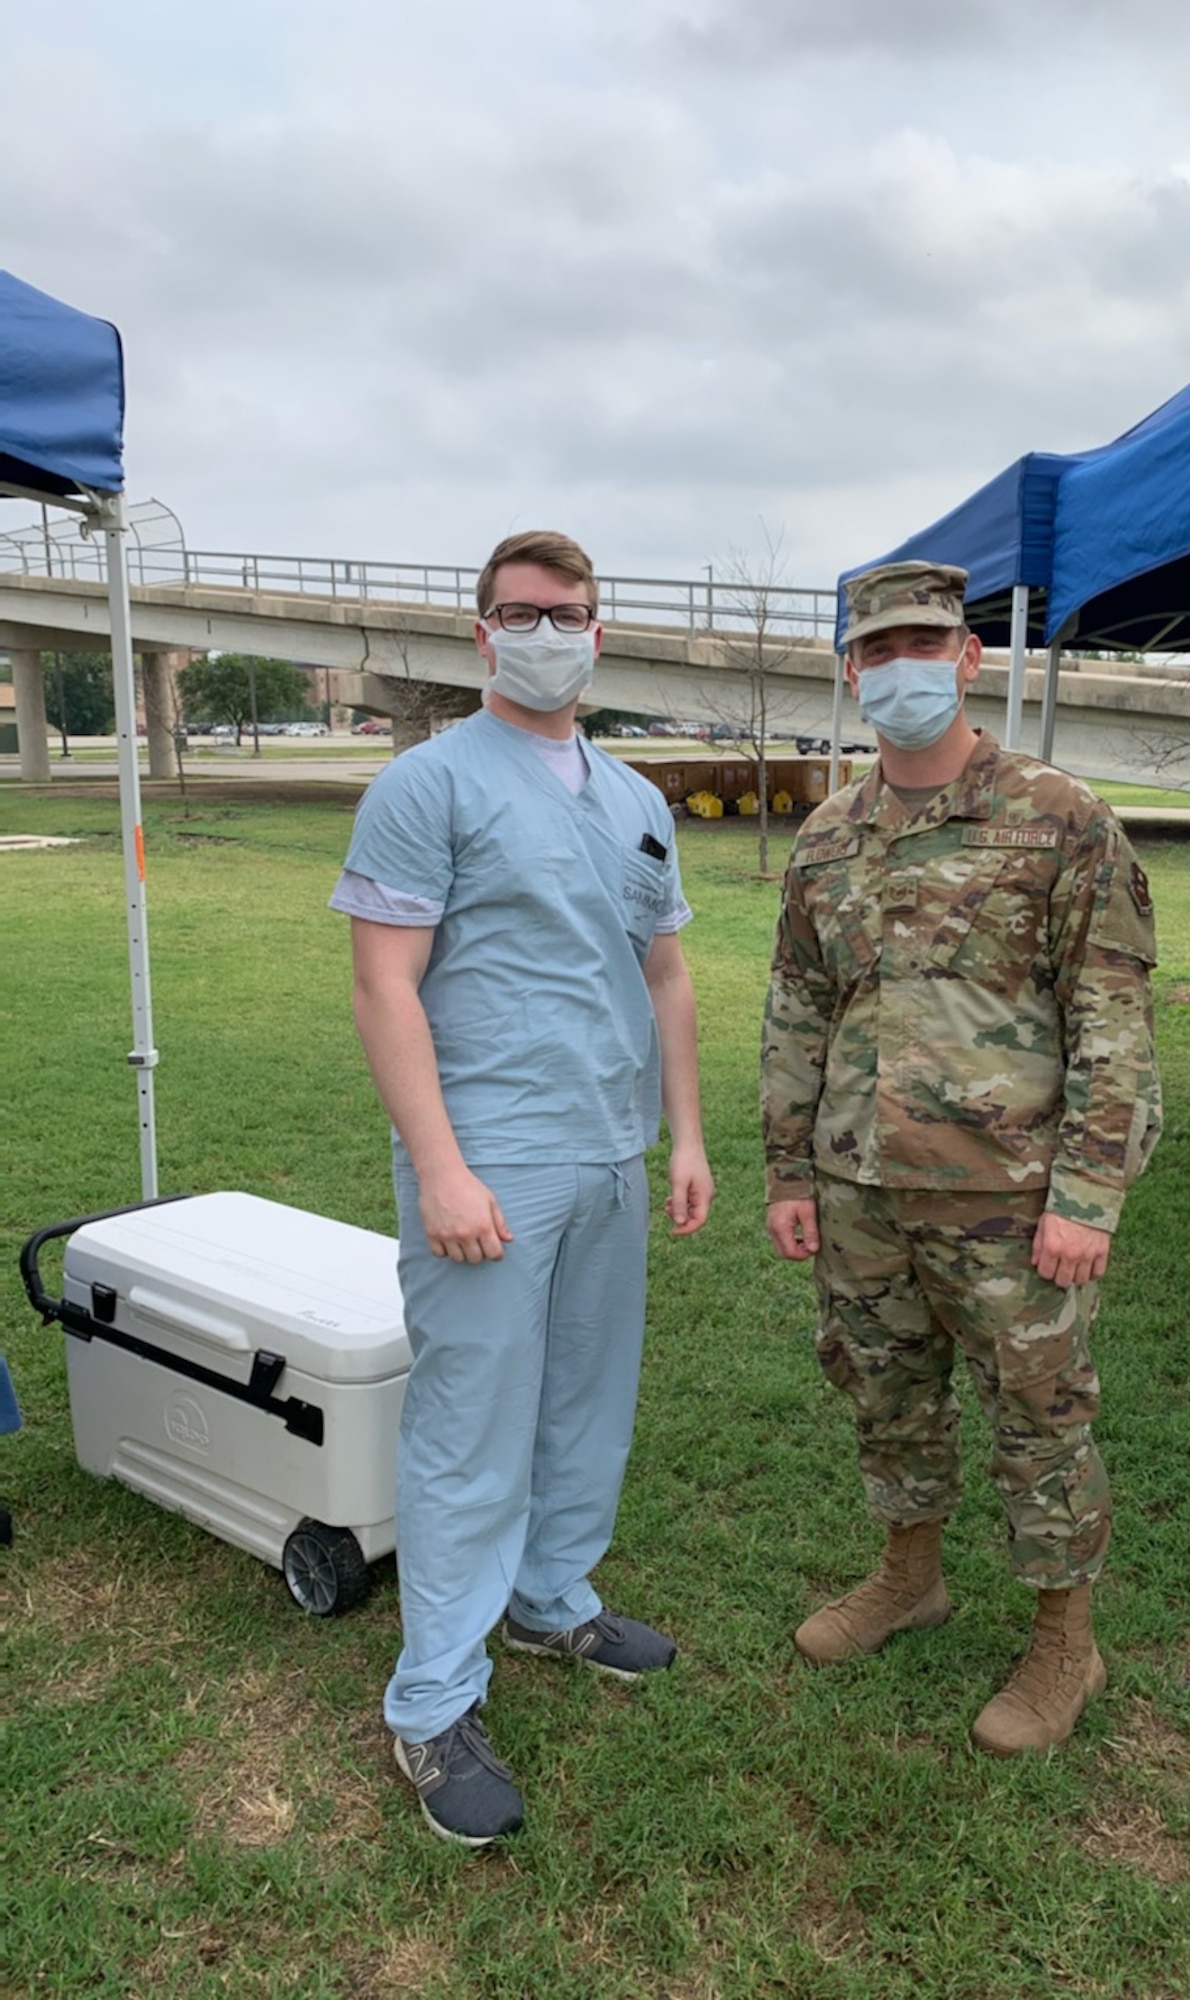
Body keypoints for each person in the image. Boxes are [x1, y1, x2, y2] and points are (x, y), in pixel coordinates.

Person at [331, 529, 713, 1845]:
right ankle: (430, 1702)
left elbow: (663, 976)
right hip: (487, 1159)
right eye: (519, 612)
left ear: (600, 631)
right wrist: (440, 1165)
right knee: (469, 1429)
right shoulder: (428, 786)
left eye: (568, 612)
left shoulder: (636, 800)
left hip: (609, 1157)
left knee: (585, 1403)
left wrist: (687, 1139)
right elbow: (386, 985)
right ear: (483, 632)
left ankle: (554, 1600)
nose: (545, 631)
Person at [761, 560, 1160, 1757]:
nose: (900, 669)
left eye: (923, 643)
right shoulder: (829, 836)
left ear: (970, 656)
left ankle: (1062, 1642)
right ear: (849, 672)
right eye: (876, 651)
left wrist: (1088, 1193)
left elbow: (1112, 1017)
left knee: (1039, 1415)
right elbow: (796, 1013)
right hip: (861, 1188)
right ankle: (908, 1576)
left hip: (1011, 1195)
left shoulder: (1059, 815)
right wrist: (790, 1170)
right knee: (885, 1395)